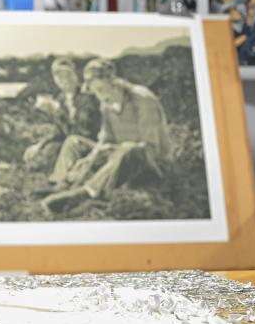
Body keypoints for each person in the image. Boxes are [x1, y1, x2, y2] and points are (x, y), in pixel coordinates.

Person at [42, 58, 171, 213]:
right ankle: (65, 184)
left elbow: (152, 147)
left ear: (114, 81)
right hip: (119, 158)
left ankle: (86, 193)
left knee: (128, 149)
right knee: (75, 142)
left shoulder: (142, 98)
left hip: (150, 162)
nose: (100, 96)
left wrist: (115, 150)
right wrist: (92, 157)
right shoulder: (106, 103)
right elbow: (105, 139)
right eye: (95, 92)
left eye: (101, 89)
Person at [23, 57, 100, 175]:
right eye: (59, 76)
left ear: (75, 76)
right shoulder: (60, 99)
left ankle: (62, 178)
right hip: (69, 141)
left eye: (67, 75)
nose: (64, 80)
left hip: (86, 143)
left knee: (57, 149)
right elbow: (59, 132)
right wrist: (40, 145)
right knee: (45, 150)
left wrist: (60, 114)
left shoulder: (88, 97)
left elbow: (83, 132)